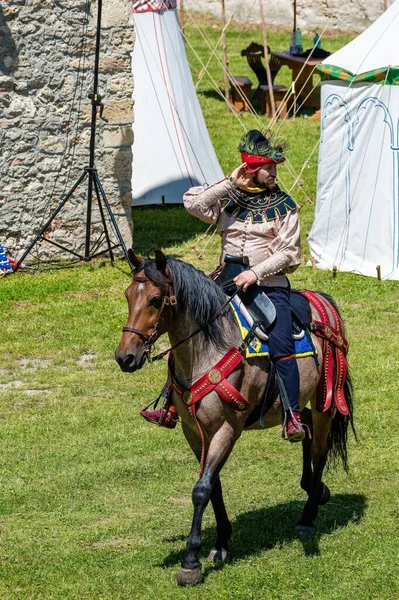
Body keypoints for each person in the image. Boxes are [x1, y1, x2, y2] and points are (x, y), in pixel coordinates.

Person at [140, 129, 305, 442]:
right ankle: (170, 405)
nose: (273, 173)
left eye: (274, 168)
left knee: (280, 337)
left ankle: (293, 415)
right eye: (268, 168)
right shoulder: (229, 198)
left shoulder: (285, 206)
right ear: (251, 170)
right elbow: (193, 205)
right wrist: (231, 182)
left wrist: (255, 273)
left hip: (268, 285)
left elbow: (289, 252)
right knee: (187, 330)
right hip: (223, 280)